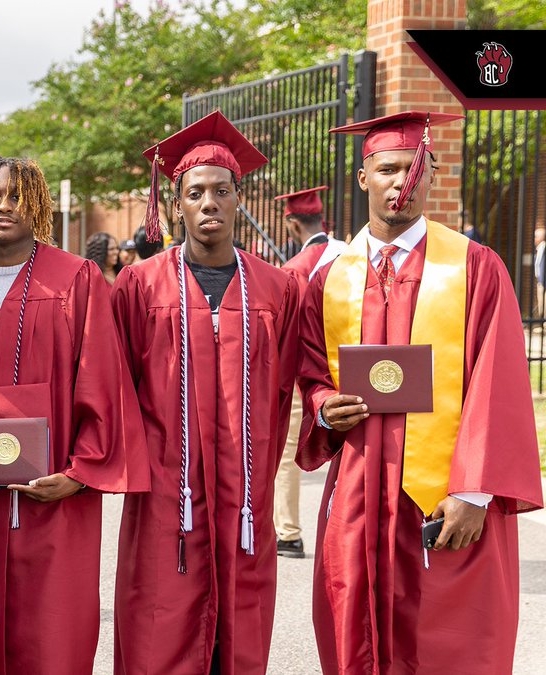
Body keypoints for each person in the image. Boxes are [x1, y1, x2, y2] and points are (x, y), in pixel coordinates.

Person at [300, 111, 543, 674]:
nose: (399, 183)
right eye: (387, 169)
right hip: (361, 486)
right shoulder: (332, 276)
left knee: (450, 640)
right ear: (363, 177)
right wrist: (322, 407)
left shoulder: (474, 268)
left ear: (432, 174)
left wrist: (476, 491)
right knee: (354, 631)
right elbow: (312, 369)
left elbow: (498, 381)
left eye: (413, 170)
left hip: (446, 492)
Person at [0, 156, 148, 674]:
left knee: (54, 642)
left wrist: (79, 475)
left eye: (17, 195)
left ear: (39, 206)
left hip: (54, 507)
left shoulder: (78, 280)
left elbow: (104, 384)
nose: (4, 205)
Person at [112, 111, 301, 675]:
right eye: (196, 193)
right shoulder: (138, 286)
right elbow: (110, 386)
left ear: (239, 199)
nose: (210, 202)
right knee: (159, 626)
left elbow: (295, 381)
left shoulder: (277, 288)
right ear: (177, 205)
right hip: (166, 496)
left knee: (240, 636)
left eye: (222, 190)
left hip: (245, 495)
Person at [270, 185, 347, 561]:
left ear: (291, 225)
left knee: (286, 453)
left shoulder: (295, 269)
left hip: (308, 371)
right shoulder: (349, 254)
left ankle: (288, 533)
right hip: (350, 368)